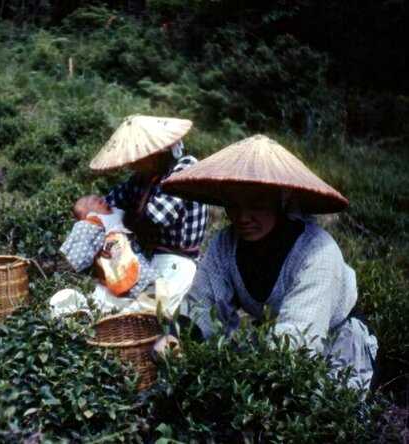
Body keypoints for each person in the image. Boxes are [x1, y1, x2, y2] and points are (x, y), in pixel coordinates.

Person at [162, 134, 378, 389]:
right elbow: (201, 303)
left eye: (256, 204)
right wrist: (176, 337)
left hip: (336, 344)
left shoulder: (317, 253)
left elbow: (298, 342)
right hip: (275, 339)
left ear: (281, 201)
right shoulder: (225, 243)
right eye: (233, 204)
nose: (243, 217)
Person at [90, 115, 209, 318]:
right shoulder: (141, 179)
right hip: (145, 258)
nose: (132, 165)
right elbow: (107, 205)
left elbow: (158, 217)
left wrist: (121, 222)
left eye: (137, 158)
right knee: (101, 301)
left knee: (143, 314)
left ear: (155, 153)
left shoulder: (186, 167)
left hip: (176, 263)